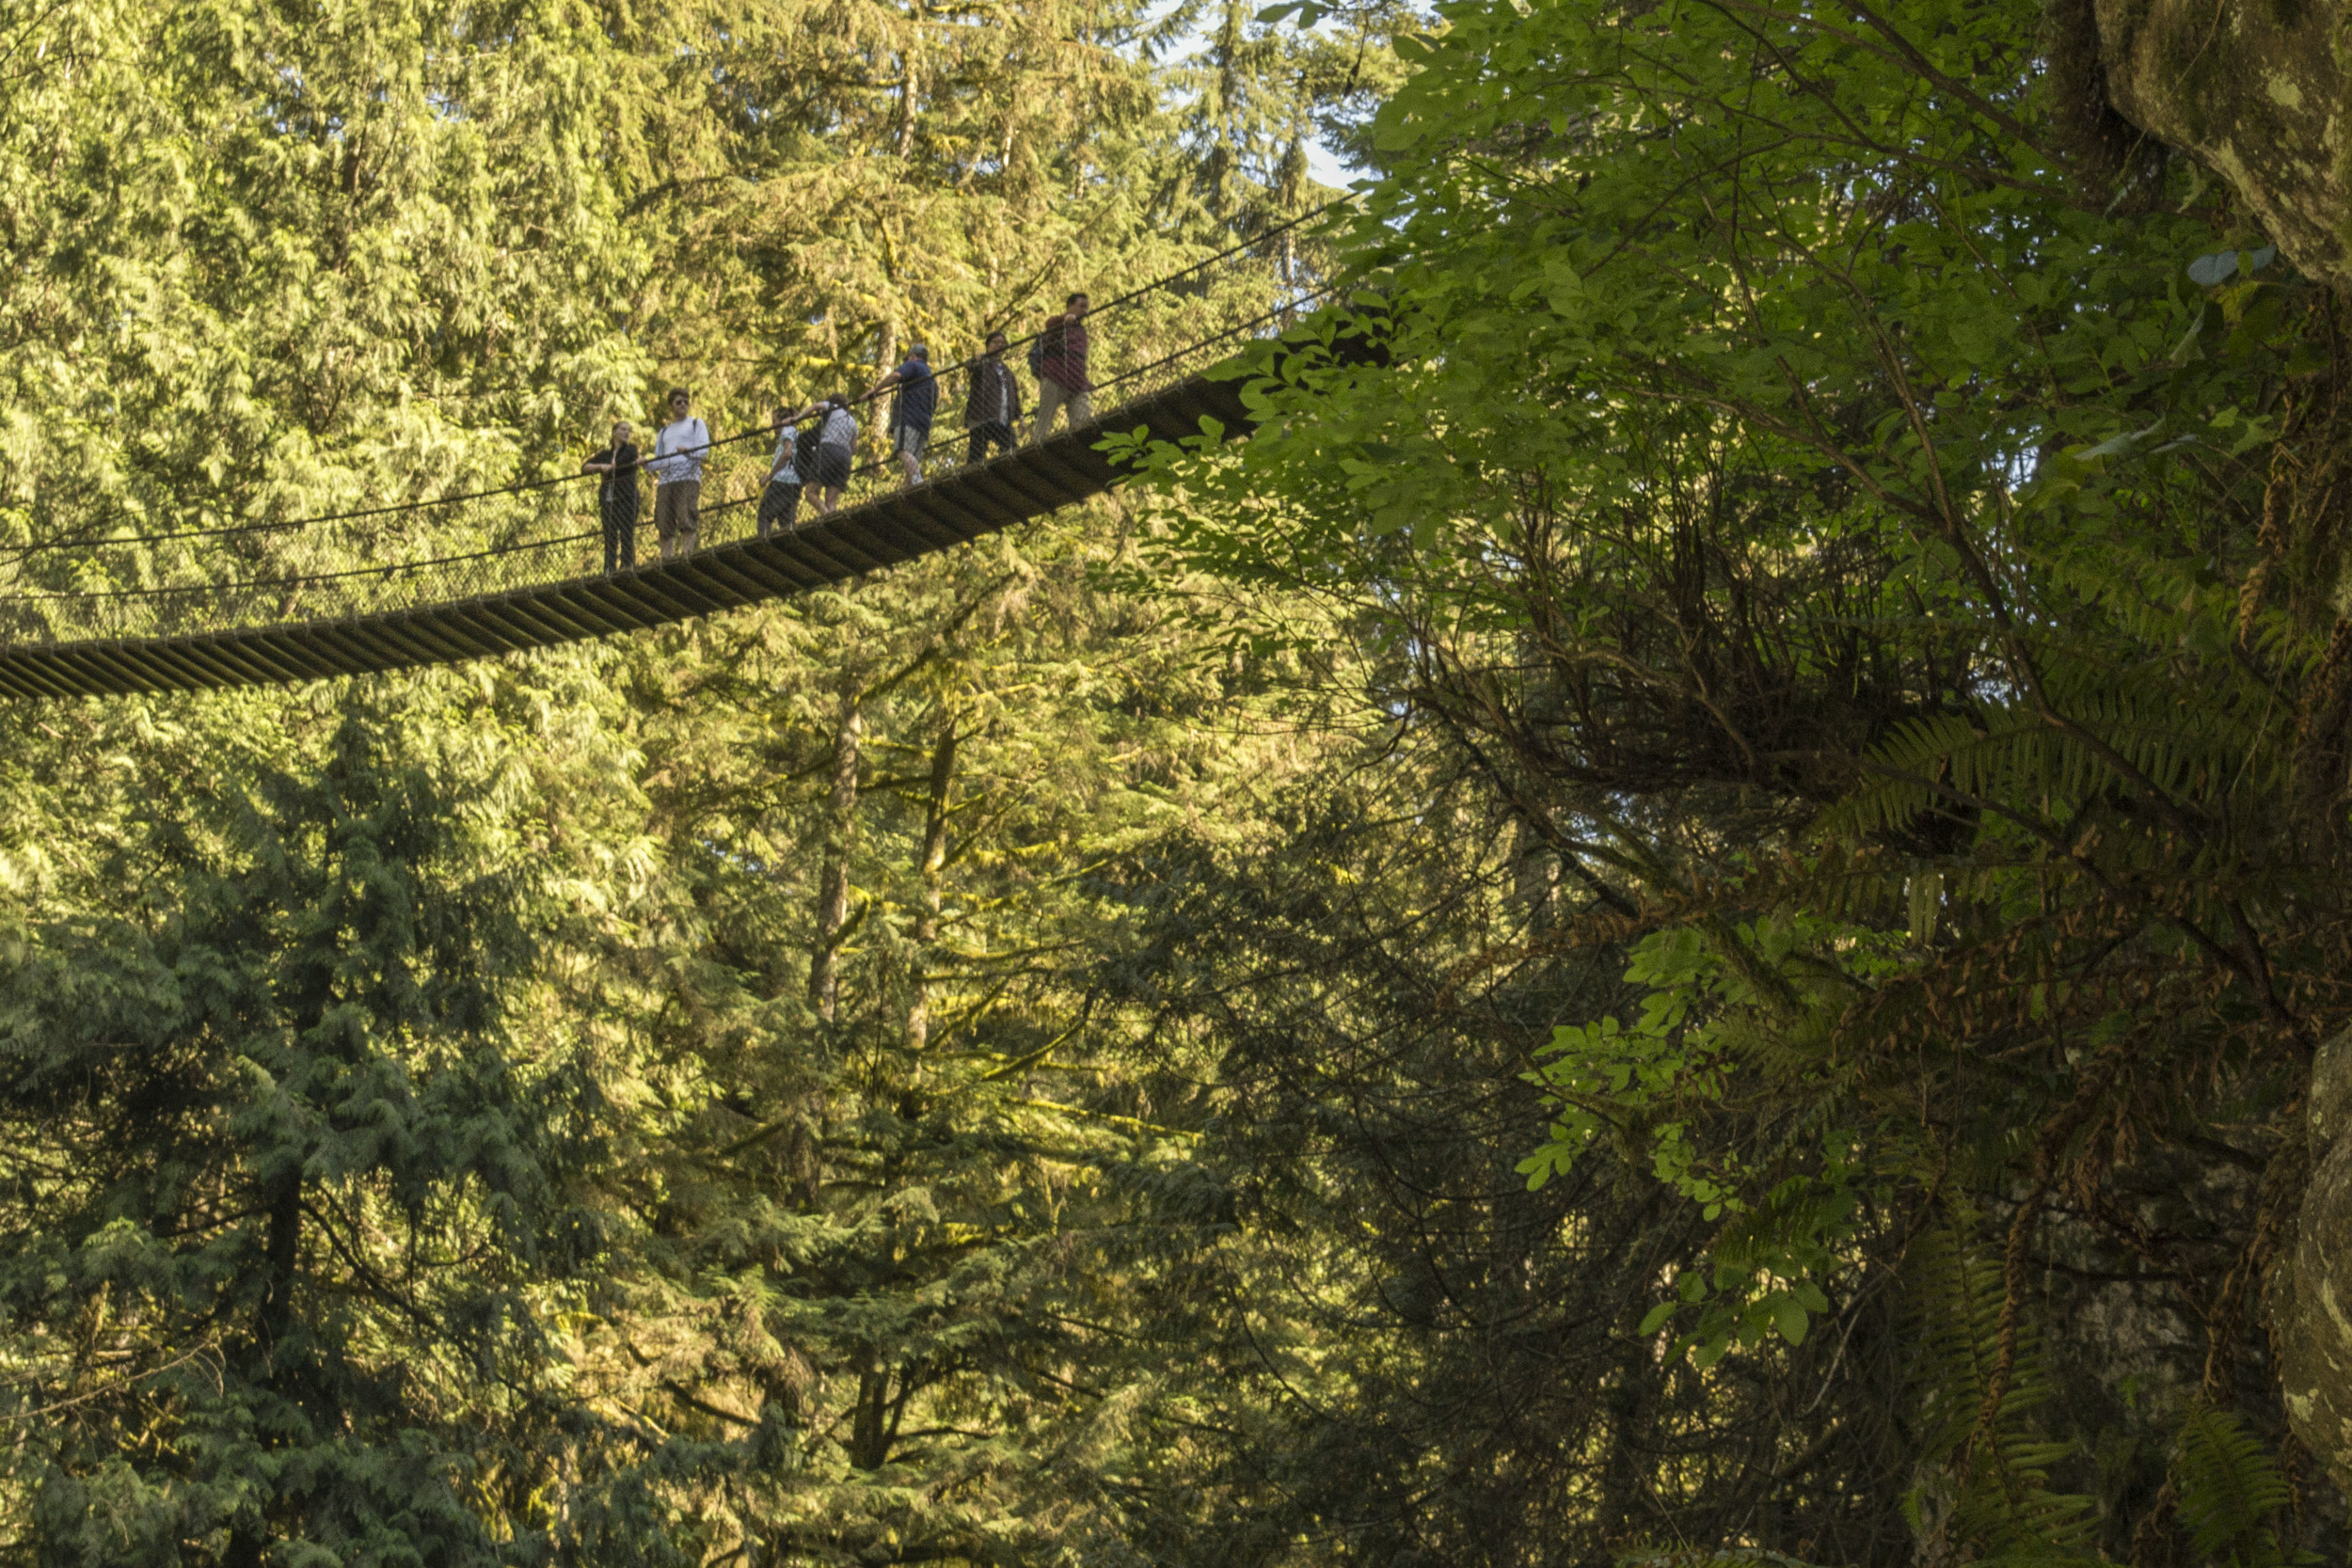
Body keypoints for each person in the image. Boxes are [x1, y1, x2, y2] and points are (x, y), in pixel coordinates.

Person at [650, 388, 711, 561]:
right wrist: (645, 464)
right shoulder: (664, 431)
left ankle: (686, 552)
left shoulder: (696, 424)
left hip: (688, 477)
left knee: (686, 512)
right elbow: (659, 458)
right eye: (679, 402)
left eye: (686, 401)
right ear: (671, 406)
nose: (683, 405)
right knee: (663, 517)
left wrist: (688, 452)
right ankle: (666, 556)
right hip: (666, 480)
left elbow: (704, 448)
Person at [870, 342, 936, 486]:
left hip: (908, 418)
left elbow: (896, 375)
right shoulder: (932, 377)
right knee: (912, 463)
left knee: (901, 451)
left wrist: (875, 391)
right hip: (924, 423)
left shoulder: (913, 365)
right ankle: (906, 491)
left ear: (912, 356)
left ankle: (918, 481)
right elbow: (934, 403)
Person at [758, 401, 823, 539]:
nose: (772, 425)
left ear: (782, 420)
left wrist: (769, 476)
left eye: (774, 421)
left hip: (783, 480)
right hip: (795, 482)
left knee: (764, 514)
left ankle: (763, 546)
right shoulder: (794, 432)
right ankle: (791, 547)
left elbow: (787, 453)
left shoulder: (787, 429)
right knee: (787, 522)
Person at [581, 420, 641, 573]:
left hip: (627, 497)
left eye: (629, 430)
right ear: (614, 432)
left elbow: (619, 465)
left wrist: (609, 468)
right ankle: (609, 569)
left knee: (626, 533)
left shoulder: (631, 450)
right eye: (623, 429)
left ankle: (627, 566)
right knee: (609, 536)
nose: (627, 432)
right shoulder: (605, 455)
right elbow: (585, 467)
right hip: (608, 500)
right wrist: (601, 466)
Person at [1033, 292, 1091, 440]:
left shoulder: (1081, 331)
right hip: (1055, 377)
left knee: (1083, 421)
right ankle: (1037, 446)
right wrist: (1064, 320)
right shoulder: (1059, 324)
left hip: (1077, 383)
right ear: (1070, 306)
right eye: (1081, 306)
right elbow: (1050, 324)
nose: (1085, 311)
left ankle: (1080, 446)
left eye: (1087, 307)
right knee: (1044, 422)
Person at [962, 332, 1023, 465]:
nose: (999, 345)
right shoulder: (983, 362)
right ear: (988, 345)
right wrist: (976, 359)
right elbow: (970, 366)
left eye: (1003, 343)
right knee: (976, 454)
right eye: (996, 342)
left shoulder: (1008, 373)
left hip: (1002, 419)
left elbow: (1015, 396)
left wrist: (1020, 417)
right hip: (982, 416)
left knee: (1011, 447)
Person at [811, 396, 859, 515]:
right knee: (831, 501)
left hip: (828, 450)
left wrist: (798, 417)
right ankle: (832, 521)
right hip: (845, 457)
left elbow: (816, 406)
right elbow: (854, 448)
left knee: (811, 492)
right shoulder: (853, 422)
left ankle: (826, 515)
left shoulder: (833, 407)